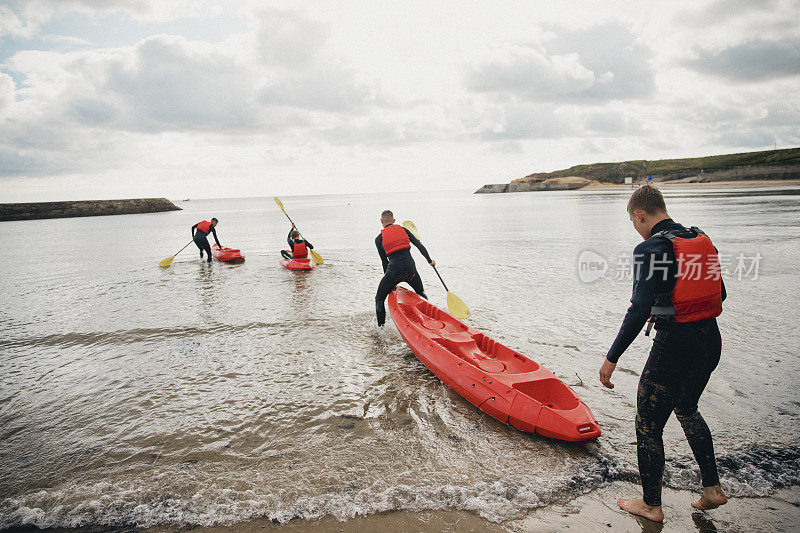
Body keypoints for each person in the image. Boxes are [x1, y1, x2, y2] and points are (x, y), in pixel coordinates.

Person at [599, 185, 728, 522]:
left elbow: (639, 307)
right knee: (686, 408)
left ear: (639, 215)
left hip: (675, 346)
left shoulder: (650, 248)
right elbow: (721, 293)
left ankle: (651, 505)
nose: (635, 227)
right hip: (710, 341)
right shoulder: (699, 240)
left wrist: (612, 358)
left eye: (633, 221)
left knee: (647, 426)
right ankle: (712, 488)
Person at [375, 210, 435, 326]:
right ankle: (430, 320)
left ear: (381, 221)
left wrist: (391, 285)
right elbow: (420, 246)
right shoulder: (404, 230)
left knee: (379, 298)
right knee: (420, 292)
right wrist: (430, 261)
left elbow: (384, 262)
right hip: (410, 269)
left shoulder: (379, 239)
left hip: (394, 271)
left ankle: (381, 330)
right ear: (393, 221)